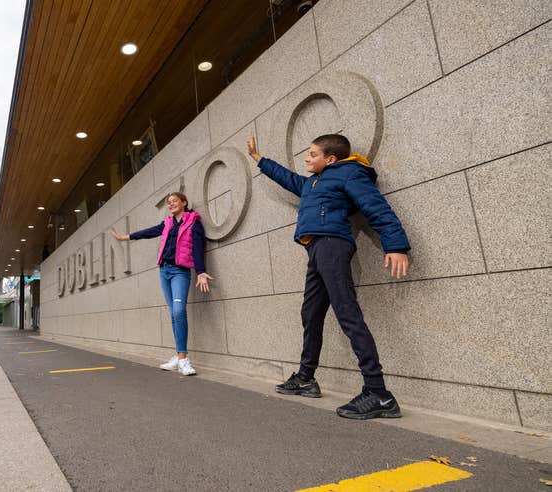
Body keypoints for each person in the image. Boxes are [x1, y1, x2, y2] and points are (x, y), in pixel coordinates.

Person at [246, 132, 410, 420]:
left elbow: (376, 206)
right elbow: (288, 179)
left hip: (333, 244)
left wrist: (395, 245)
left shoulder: (348, 174)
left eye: (312, 154)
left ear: (330, 159)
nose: (307, 159)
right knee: (311, 313)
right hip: (317, 249)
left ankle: (379, 393)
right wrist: (259, 159)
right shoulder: (312, 182)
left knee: (347, 313)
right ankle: (306, 378)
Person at [110, 192, 214, 376]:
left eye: (174, 201)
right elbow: (148, 232)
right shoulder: (167, 223)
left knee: (179, 311)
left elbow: (198, 247)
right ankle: (178, 356)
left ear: (184, 202)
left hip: (180, 272)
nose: (171, 204)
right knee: (173, 314)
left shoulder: (193, 222)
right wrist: (124, 237)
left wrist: (200, 272)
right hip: (164, 271)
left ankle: (183, 360)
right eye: (168, 202)